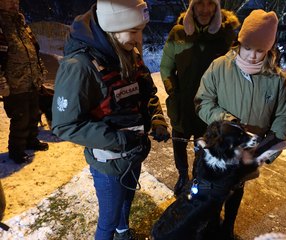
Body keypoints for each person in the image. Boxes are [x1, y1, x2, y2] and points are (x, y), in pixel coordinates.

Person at [51, 0, 170, 239]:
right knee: (108, 220)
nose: (139, 39)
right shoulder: (80, 66)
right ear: (112, 28)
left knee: (127, 201)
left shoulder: (128, 53)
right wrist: (118, 139)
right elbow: (64, 125)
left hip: (134, 153)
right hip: (109, 164)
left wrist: (156, 119)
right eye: (134, 31)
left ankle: (123, 232)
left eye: (140, 30)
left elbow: (147, 94)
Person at [194, 9, 286, 239]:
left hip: (247, 153)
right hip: (219, 151)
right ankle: (206, 228)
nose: (251, 56)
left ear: (269, 49)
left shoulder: (276, 79)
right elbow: (202, 101)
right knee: (209, 195)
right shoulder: (219, 67)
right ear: (239, 42)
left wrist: (267, 151)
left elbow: (284, 117)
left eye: (260, 50)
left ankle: (228, 227)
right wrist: (226, 122)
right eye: (247, 47)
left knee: (235, 190)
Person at [160, 0, 240, 195]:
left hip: (209, 106)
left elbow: (233, 70)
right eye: (199, 4)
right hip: (181, 102)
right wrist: (173, 91)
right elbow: (166, 67)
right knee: (179, 141)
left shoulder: (226, 35)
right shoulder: (178, 33)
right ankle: (182, 175)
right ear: (192, 7)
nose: (205, 9)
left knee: (203, 145)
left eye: (210, 4)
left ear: (216, 7)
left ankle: (197, 176)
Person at [0, 0, 49, 164]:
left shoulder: (21, 23)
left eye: (16, 1)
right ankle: (16, 150)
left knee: (34, 113)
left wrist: (40, 72)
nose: (14, 4)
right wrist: (2, 84)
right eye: (9, 1)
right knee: (20, 118)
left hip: (31, 80)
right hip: (14, 83)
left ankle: (31, 141)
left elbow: (34, 50)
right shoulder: (1, 25)